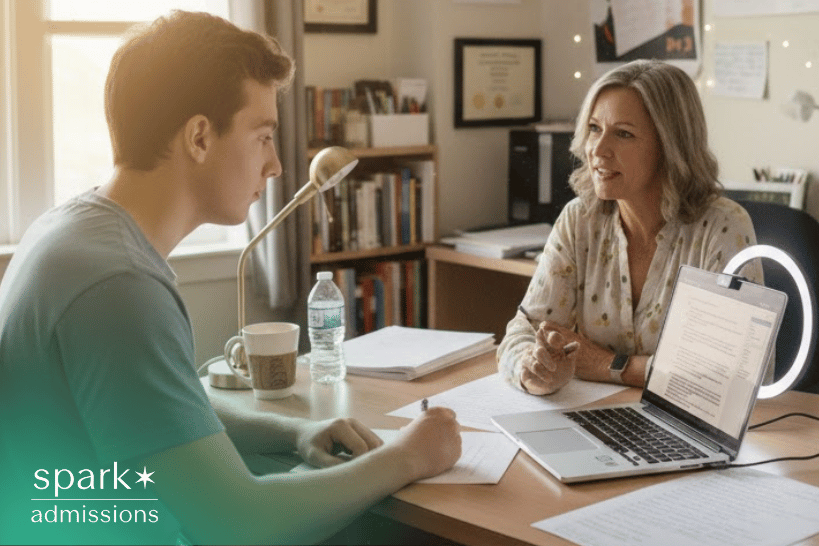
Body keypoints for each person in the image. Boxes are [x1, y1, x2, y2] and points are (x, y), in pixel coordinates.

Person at [0, 11, 460, 545]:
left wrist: (296, 432)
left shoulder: (71, 230)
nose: (276, 167)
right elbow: (238, 524)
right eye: (263, 136)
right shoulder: (118, 285)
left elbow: (170, 408)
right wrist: (409, 456)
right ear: (199, 136)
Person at [497, 59, 763, 396]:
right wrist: (534, 369)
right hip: (599, 414)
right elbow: (523, 331)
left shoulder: (723, 227)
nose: (598, 149)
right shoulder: (579, 220)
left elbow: (727, 377)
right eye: (594, 128)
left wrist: (608, 365)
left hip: (688, 428)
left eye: (623, 134)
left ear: (669, 147)